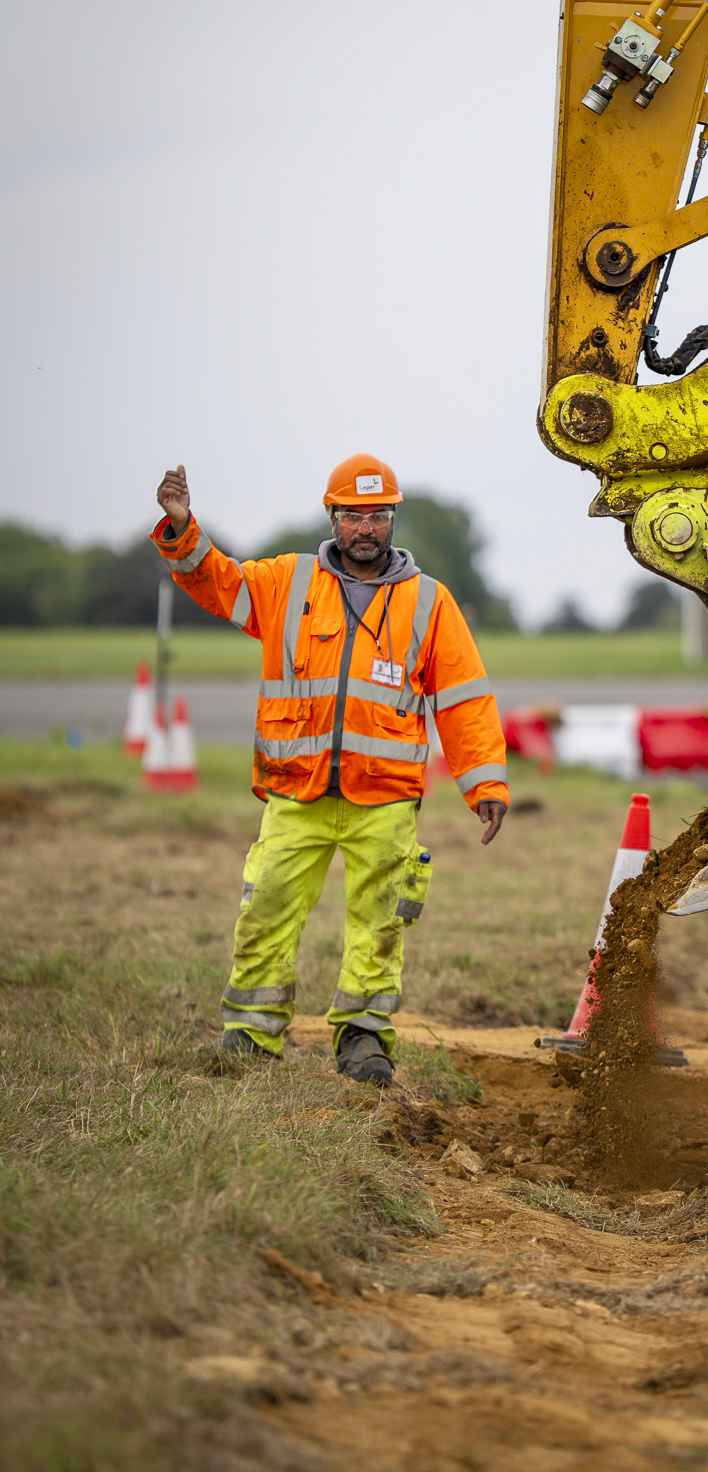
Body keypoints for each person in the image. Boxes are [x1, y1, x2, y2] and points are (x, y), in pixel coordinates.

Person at [152, 454, 508, 1085]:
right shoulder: (286, 582)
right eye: (352, 515)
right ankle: (250, 1033)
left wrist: (484, 781)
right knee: (267, 907)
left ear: (392, 518)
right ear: (332, 517)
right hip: (297, 791)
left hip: (385, 798)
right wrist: (183, 527)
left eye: (377, 515)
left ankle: (363, 1038)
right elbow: (217, 582)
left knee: (380, 922)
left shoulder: (430, 602)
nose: (365, 528)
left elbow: (464, 698)